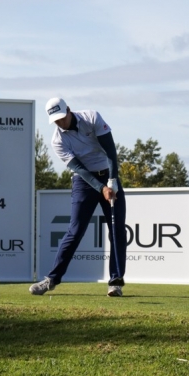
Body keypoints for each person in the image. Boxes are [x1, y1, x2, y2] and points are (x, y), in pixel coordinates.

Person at [30, 97, 128, 297]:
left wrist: (112, 181)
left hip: (108, 174)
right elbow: (79, 169)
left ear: (69, 110)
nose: (60, 123)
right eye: (55, 120)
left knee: (117, 228)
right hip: (84, 182)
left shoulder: (91, 117)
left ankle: (115, 281)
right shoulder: (58, 140)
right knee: (75, 231)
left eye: (61, 118)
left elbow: (110, 151)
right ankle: (52, 279)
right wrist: (101, 188)